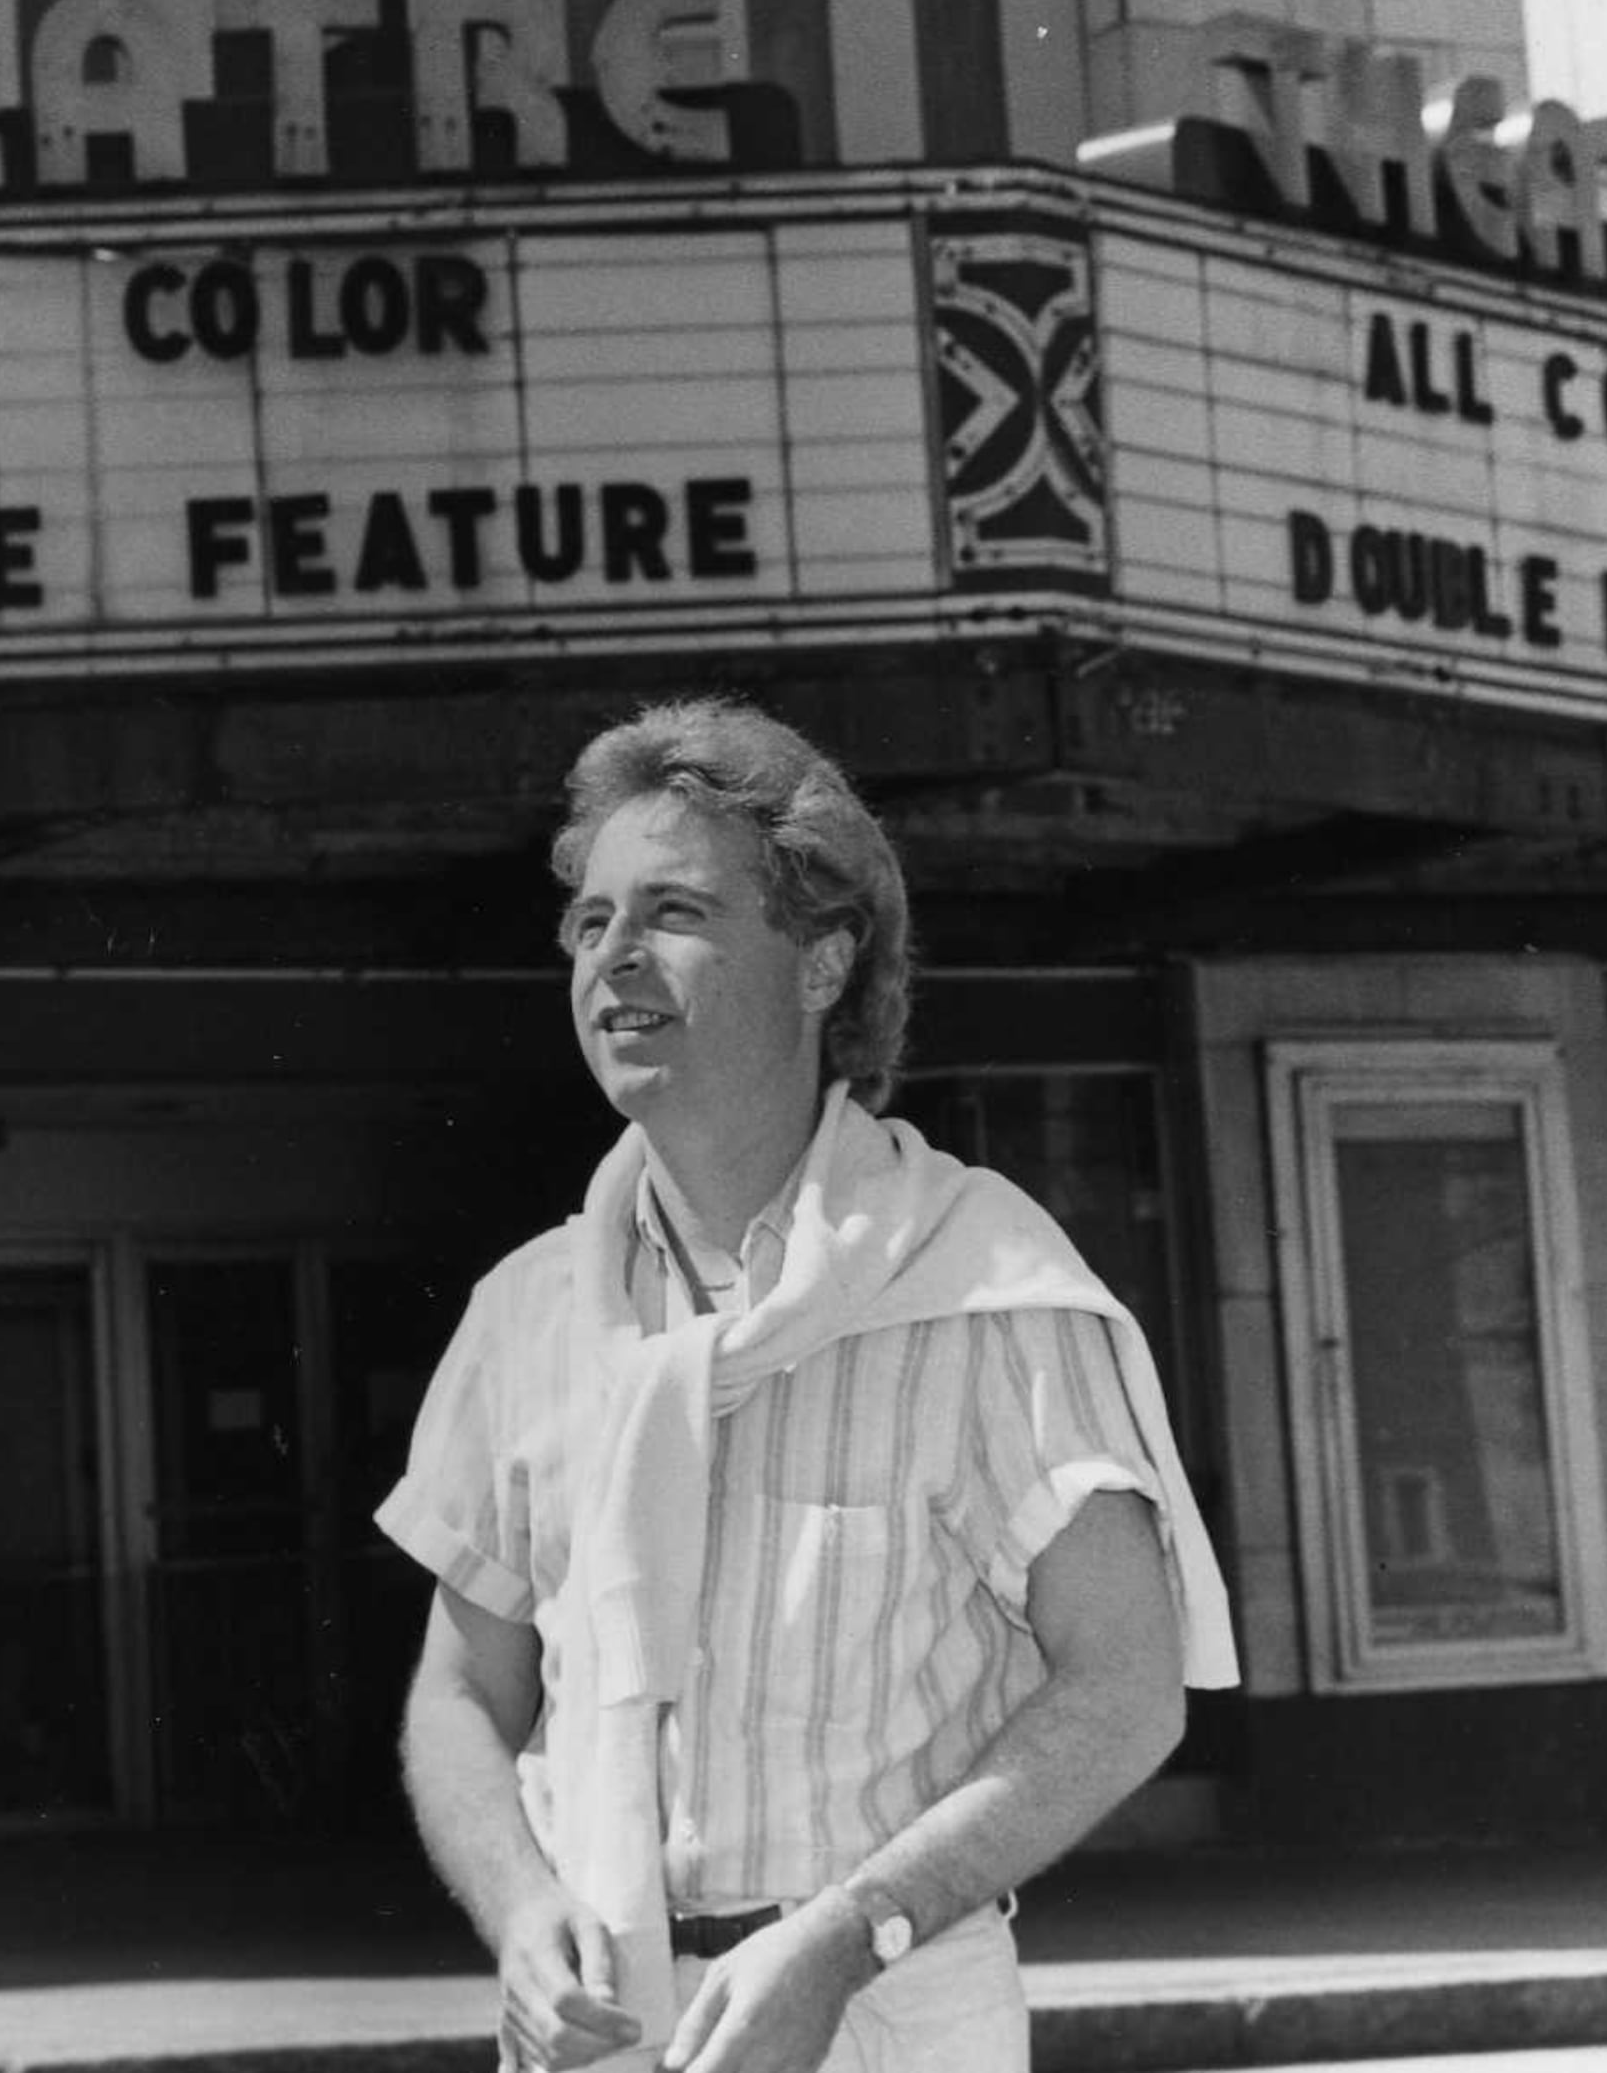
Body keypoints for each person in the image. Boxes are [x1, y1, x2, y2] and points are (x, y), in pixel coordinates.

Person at [378, 699, 1238, 2073]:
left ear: (823, 960)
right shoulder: (527, 1315)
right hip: (601, 2032)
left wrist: (854, 1930)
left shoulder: (984, 1281)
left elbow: (1130, 1686)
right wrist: (522, 1906)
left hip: (889, 2014)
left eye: (672, 909)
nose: (614, 958)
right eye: (590, 922)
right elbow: (458, 1696)